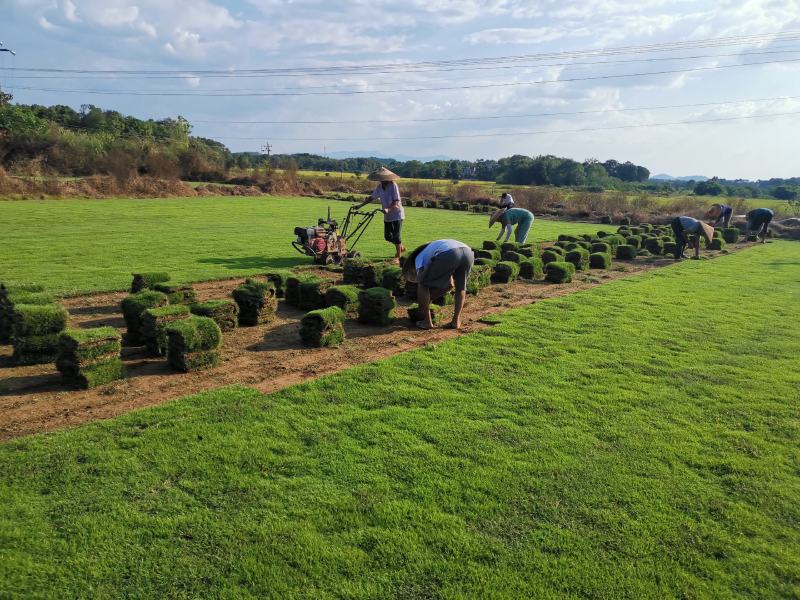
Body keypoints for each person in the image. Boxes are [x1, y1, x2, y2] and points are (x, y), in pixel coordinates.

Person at [402, 240, 474, 330]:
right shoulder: (433, 248)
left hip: (449, 253)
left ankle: (427, 322)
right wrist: (430, 298)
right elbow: (450, 285)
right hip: (468, 252)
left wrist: (423, 303)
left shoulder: (418, 258)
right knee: (461, 287)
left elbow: (422, 281)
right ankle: (456, 321)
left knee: (422, 284)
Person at [365, 166, 405, 262]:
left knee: (396, 236)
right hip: (387, 216)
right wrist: (360, 205)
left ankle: (398, 257)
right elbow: (371, 197)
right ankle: (401, 246)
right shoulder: (379, 187)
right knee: (388, 237)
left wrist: (388, 209)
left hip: (397, 214)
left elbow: (396, 201)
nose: (380, 179)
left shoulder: (393, 185)